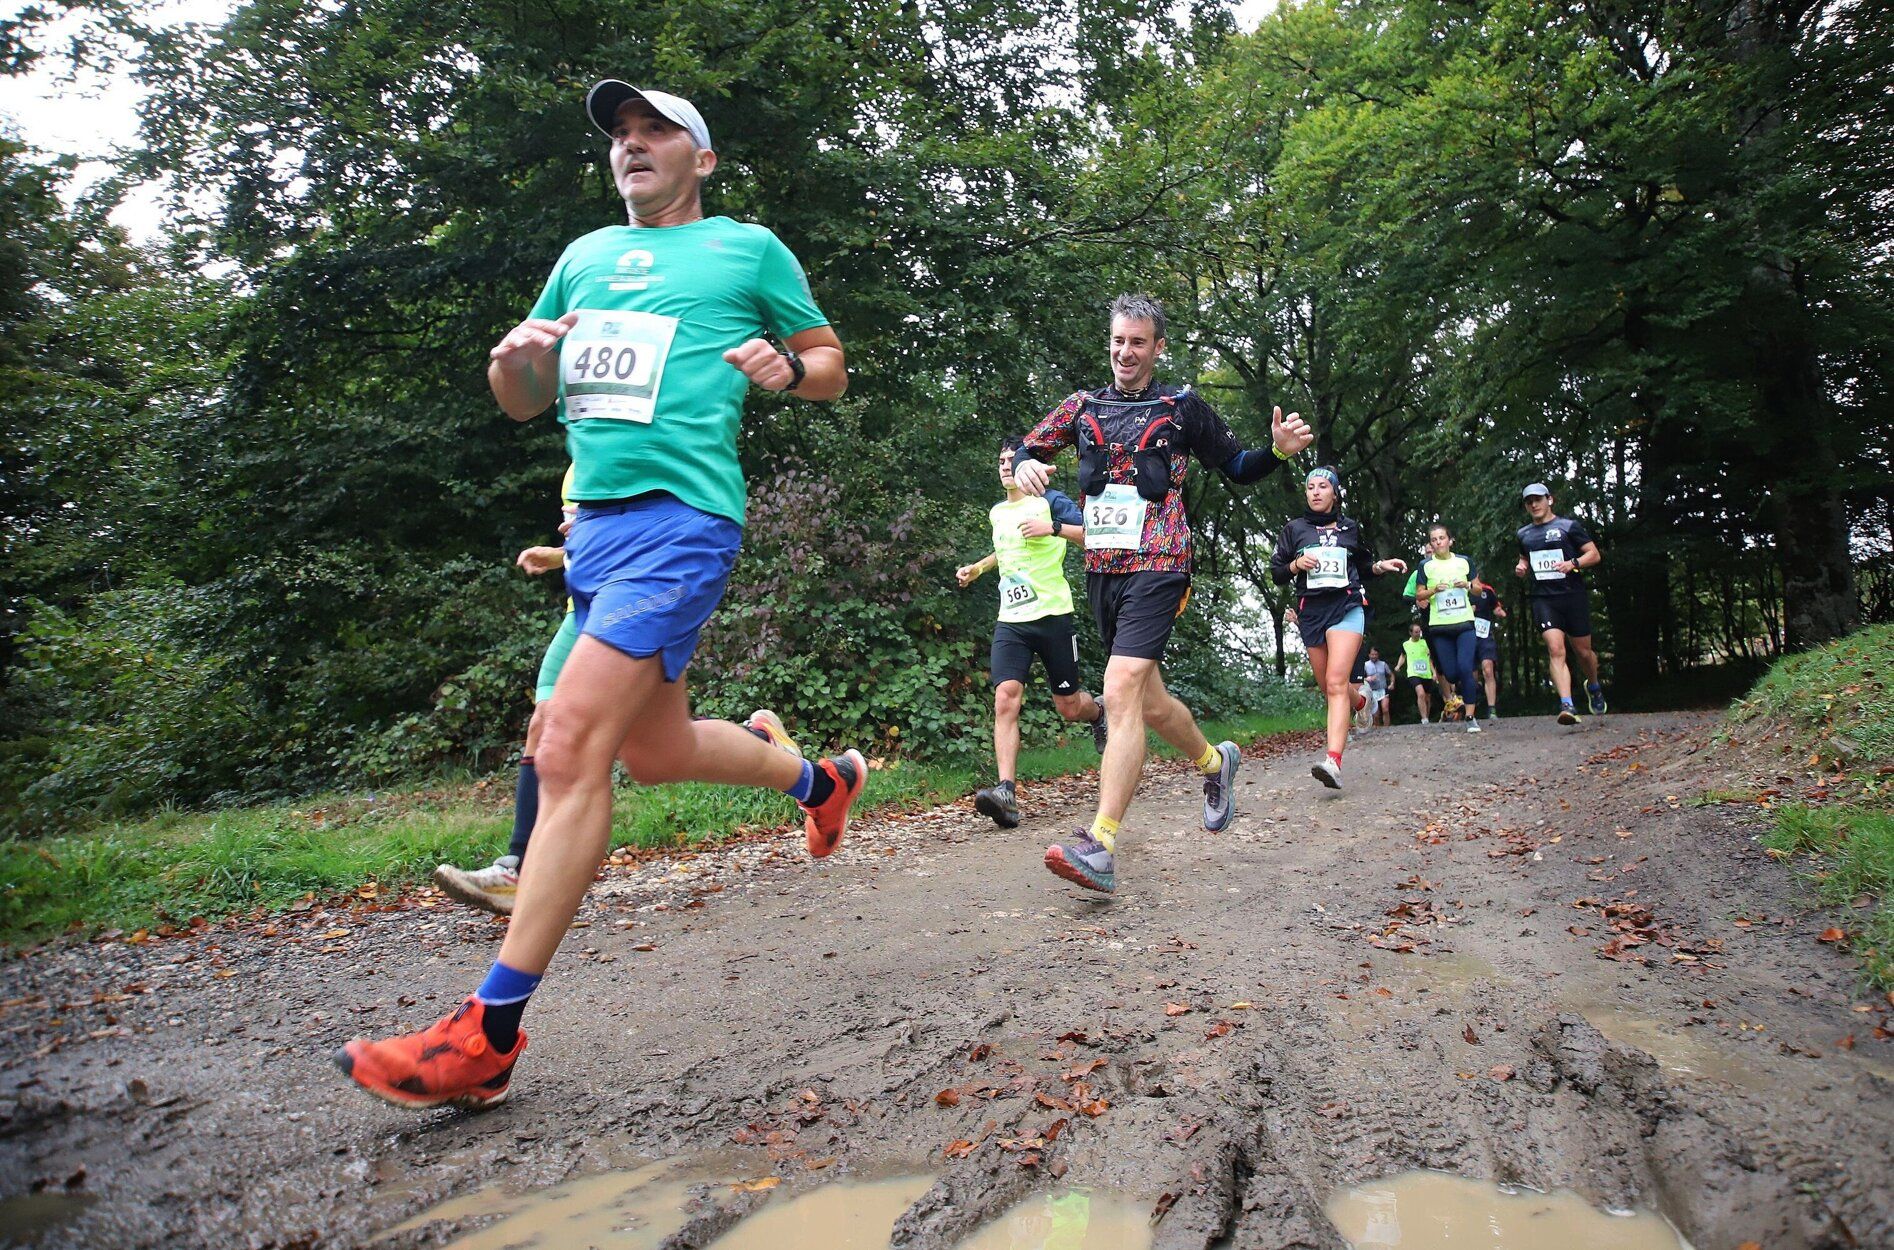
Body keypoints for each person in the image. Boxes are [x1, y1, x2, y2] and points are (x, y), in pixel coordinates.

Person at [337, 83, 867, 1110]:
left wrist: (784, 371)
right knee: (653, 750)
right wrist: (516, 365)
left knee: (567, 740)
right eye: (621, 136)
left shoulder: (746, 249)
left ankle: (485, 1034)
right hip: (597, 530)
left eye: (654, 131)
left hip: (684, 517)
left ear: (699, 159)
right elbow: (525, 405)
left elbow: (832, 366)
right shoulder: (580, 257)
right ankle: (820, 781)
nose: (632, 146)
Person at [1007, 293, 1314, 893]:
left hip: (1162, 563)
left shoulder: (1181, 408)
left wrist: (1278, 451)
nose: (1126, 352)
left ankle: (1100, 843)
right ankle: (1214, 762)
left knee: (1119, 689)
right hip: (1104, 569)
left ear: (1158, 347)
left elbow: (1240, 466)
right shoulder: (1082, 406)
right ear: (1110, 341)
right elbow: (1027, 447)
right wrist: (1024, 466)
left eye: (1139, 342)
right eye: (1119, 340)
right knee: (1147, 702)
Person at [434, 468, 802, 914]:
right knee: (547, 725)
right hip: (582, 613)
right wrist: (557, 555)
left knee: (655, 750)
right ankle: (518, 866)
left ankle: (766, 747)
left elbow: (656, 527)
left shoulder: (638, 443)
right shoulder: (583, 458)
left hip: (631, 607)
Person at [955, 437, 1106, 827]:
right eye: (1001, 460)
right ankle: (1006, 792)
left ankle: (1099, 712)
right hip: (1012, 620)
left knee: (1068, 706)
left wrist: (1052, 528)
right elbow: (1005, 550)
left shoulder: (1050, 501)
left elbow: (1093, 535)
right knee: (1006, 697)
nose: (1006, 466)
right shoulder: (996, 513)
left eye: (1012, 459)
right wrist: (979, 568)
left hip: (1053, 615)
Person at [1270, 467, 1407, 788]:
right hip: (1310, 612)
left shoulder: (1350, 528)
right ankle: (1362, 702)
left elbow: (1362, 566)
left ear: (1334, 493)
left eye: (1322, 486)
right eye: (1310, 487)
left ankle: (1333, 761)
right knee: (1329, 688)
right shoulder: (1294, 530)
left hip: (1346, 607)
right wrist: (1294, 565)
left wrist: (1380, 566)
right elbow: (1277, 572)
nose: (1315, 492)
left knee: (1335, 682)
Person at [1514, 482, 1606, 724]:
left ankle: (1594, 685)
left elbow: (1594, 554)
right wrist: (1522, 567)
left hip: (1572, 596)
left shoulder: (1568, 527)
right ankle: (1567, 705)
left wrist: (1573, 563)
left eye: (1538, 499)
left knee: (1583, 652)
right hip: (1544, 599)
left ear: (1549, 500)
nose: (1534, 504)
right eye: (1529, 501)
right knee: (1556, 649)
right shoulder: (1523, 534)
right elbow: (1524, 558)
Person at [1413, 523, 1483, 733]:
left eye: (1441, 538)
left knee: (1465, 668)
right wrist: (1434, 589)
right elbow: (1419, 595)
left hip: (1464, 624)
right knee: (1451, 674)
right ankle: (1462, 695)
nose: (1438, 543)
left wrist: (1468, 585)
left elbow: (1479, 589)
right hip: (1440, 627)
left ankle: (1470, 716)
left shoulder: (1464, 561)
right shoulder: (1425, 565)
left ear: (1450, 540)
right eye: (1434, 540)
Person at [1470, 577, 1506, 721]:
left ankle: (1492, 709)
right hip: (1468, 635)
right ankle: (1472, 705)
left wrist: (1500, 611)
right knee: (1471, 676)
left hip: (1485, 635)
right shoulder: (1461, 589)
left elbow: (1496, 606)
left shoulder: (1487, 590)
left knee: (1488, 669)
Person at [1394, 622, 1437, 723]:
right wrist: (1398, 665)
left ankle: (1427, 716)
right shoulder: (1406, 644)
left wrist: (1434, 672)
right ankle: (1424, 718)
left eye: (1419, 632)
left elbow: (1429, 659)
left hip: (1426, 673)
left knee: (1427, 697)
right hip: (1413, 673)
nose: (1418, 634)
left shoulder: (1425, 643)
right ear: (1411, 633)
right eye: (1416, 632)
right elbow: (1403, 656)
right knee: (1420, 693)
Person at [1362, 647, 1393, 727]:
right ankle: (1377, 729)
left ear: (1378, 655)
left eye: (1375, 654)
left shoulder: (1383, 664)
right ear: (1369, 655)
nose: (1374, 656)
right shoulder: (1365, 665)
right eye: (1372, 654)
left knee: (1385, 709)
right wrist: (1367, 679)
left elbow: (1391, 674)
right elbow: (1360, 678)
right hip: (1372, 691)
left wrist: (1392, 683)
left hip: (1383, 689)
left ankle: (1387, 728)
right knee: (1376, 714)